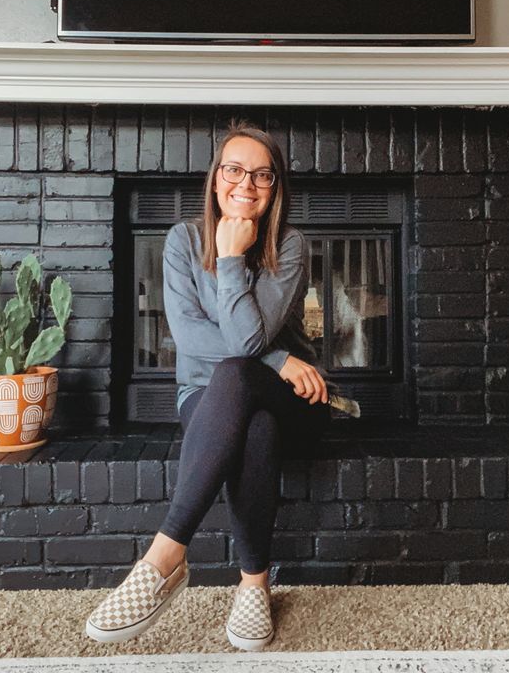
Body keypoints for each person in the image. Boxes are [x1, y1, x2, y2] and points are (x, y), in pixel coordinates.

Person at [85, 121, 332, 651]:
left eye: (262, 175)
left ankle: (164, 557)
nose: (247, 184)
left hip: (295, 399)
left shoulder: (289, 245)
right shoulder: (181, 239)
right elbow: (190, 334)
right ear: (216, 178)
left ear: (276, 187)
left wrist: (231, 256)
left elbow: (243, 345)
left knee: (244, 378)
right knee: (254, 425)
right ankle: (254, 586)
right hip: (210, 399)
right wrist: (281, 355)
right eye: (235, 170)